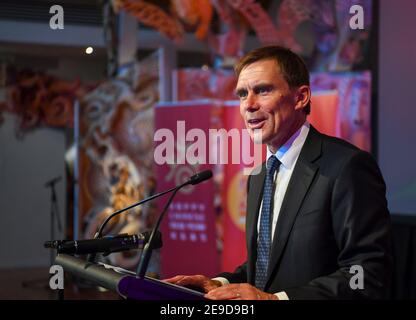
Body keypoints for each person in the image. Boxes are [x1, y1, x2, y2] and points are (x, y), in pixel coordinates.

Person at [164, 46, 393, 300]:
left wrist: (277, 300)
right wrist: (220, 282)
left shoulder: (347, 167)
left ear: (301, 97)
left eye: (262, 90)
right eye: (242, 94)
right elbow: (265, 268)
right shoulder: (260, 175)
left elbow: (368, 275)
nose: (248, 105)